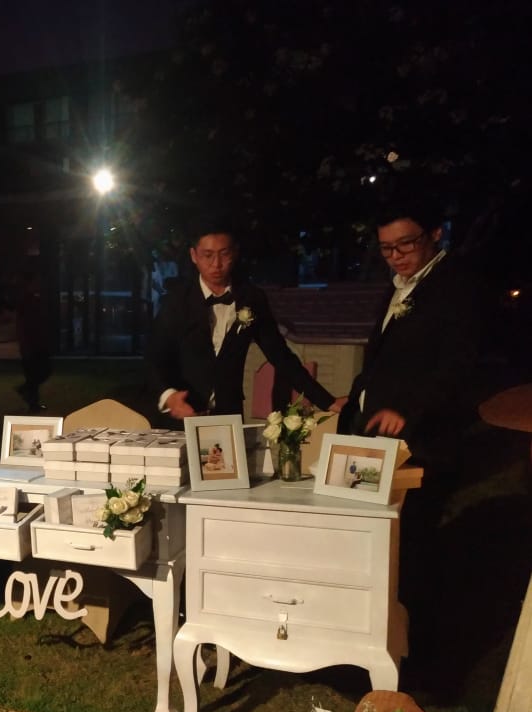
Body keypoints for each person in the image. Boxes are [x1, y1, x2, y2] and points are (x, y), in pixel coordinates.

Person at [338, 194, 482, 662]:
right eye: (386, 248)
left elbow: (459, 366)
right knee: (376, 540)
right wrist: (355, 397)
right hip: (376, 438)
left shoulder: (455, 287)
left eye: (406, 244)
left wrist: (410, 410)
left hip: (422, 442)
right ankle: (373, 635)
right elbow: (384, 359)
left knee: (413, 546)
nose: (396, 256)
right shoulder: (397, 287)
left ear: (434, 234)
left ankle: (415, 650)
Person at [144, 217, 343, 425]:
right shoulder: (177, 300)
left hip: (227, 415)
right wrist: (169, 396)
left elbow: (281, 356)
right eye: (208, 255)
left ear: (235, 252)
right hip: (182, 415)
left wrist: (327, 401)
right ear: (194, 256)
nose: (216, 264)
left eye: (224, 254)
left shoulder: (251, 298)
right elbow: (153, 357)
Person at [14, 271, 51, 411]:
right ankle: (32, 402)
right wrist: (26, 344)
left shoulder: (33, 299)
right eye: (36, 281)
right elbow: (24, 324)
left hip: (36, 342)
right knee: (36, 373)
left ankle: (30, 398)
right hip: (32, 344)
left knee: (37, 373)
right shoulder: (26, 300)